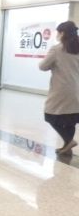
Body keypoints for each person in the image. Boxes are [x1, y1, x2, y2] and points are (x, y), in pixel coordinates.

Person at [39, 20, 79, 155]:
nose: (57, 35)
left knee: (50, 115)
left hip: (61, 89)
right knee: (71, 118)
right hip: (76, 89)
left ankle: (69, 141)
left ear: (62, 33)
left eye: (58, 32)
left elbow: (43, 66)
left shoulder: (57, 49)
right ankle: (67, 147)